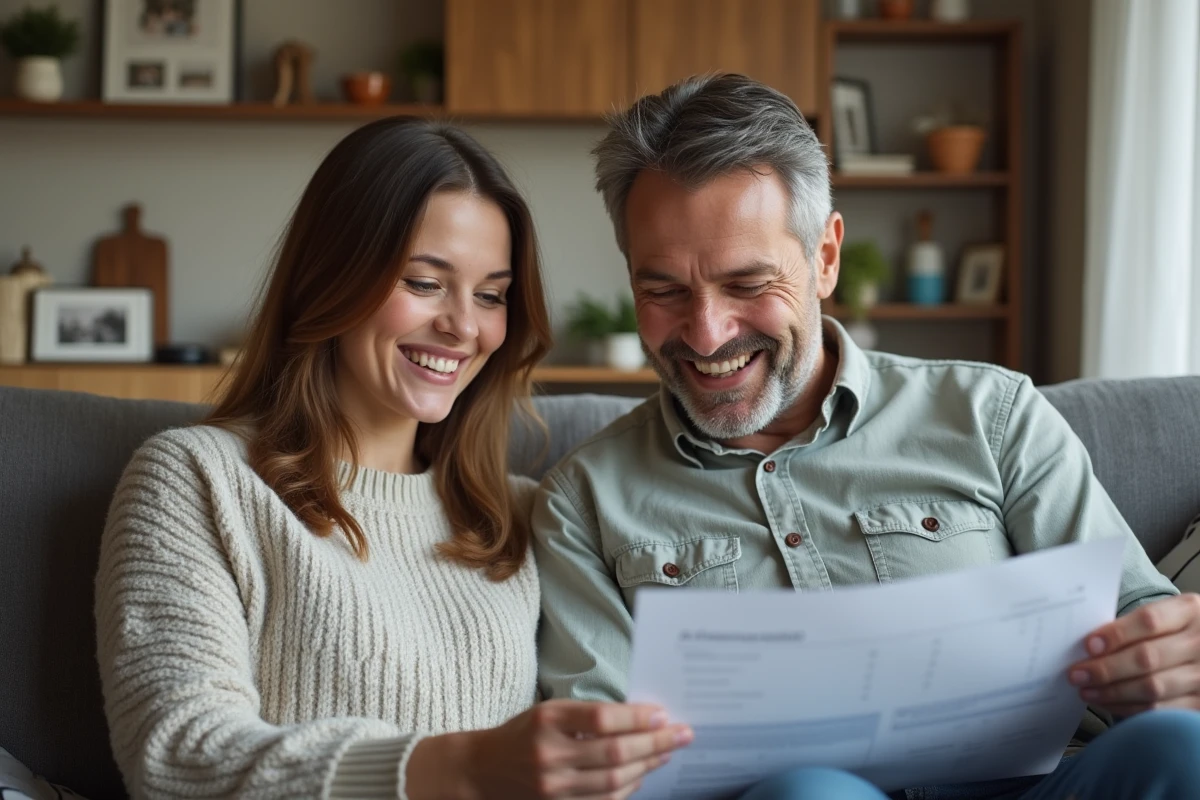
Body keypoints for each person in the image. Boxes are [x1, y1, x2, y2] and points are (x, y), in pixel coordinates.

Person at [532, 74, 1200, 799]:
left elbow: (1137, 620)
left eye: (748, 284)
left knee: (1177, 744)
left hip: (1042, 784)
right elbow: (601, 758)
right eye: (663, 290)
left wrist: (1166, 659)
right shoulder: (583, 500)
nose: (707, 333)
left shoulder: (992, 414)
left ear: (825, 257)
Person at [95, 118, 692, 799]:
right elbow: (175, 757)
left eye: (491, 296)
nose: (463, 327)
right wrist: (462, 769)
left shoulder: (525, 514)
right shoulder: (198, 479)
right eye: (425, 282)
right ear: (331, 276)